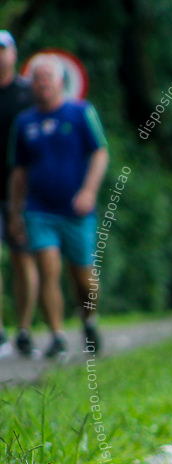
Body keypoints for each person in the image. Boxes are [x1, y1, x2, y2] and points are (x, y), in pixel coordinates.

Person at [9, 55, 108, 358]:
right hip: (38, 209)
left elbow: (100, 153)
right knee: (47, 268)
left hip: (76, 210)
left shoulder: (80, 113)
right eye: (36, 80)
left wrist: (89, 191)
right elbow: (19, 171)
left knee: (84, 277)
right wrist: (15, 212)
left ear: (60, 82)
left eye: (47, 79)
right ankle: (57, 335)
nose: (42, 85)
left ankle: (89, 319)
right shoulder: (25, 123)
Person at [0, 30, 35, 357]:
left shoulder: (28, 93)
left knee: (22, 257)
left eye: (2, 49)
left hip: (20, 191)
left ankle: (24, 329)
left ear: (13, 53)